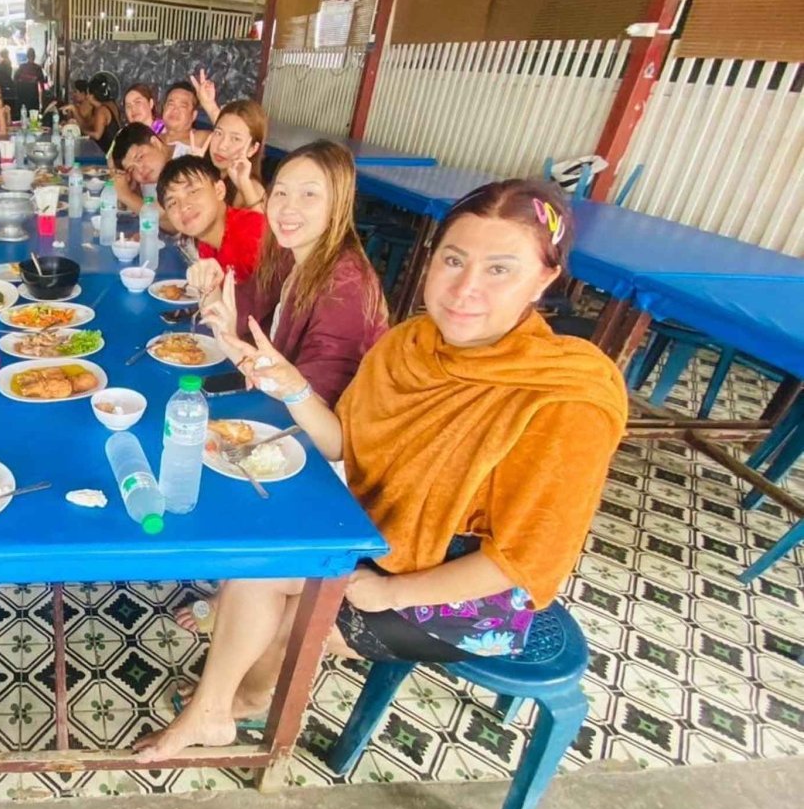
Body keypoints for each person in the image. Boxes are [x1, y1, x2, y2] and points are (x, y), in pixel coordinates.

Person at [135, 179, 627, 762]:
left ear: (544, 279)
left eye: (500, 269)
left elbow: (524, 562)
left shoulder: (566, 393)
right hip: (386, 531)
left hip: (472, 590)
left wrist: (392, 589)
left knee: (294, 607)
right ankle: (218, 711)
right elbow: (347, 444)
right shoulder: (410, 343)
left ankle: (243, 699)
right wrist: (286, 383)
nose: (466, 288)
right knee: (261, 559)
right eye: (453, 260)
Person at [190, 141, 386, 403]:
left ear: (337, 204)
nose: (288, 208)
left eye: (309, 195)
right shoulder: (288, 253)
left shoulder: (347, 285)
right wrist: (211, 286)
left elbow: (316, 396)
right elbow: (243, 309)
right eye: (281, 193)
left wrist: (237, 350)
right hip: (276, 402)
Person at [157, 155, 266, 283]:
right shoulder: (206, 246)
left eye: (193, 192)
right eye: (172, 203)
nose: (183, 206)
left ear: (219, 190)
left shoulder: (251, 232)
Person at [202, 99, 268, 209]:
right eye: (218, 133)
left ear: (252, 149)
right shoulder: (203, 172)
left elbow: (262, 224)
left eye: (235, 139)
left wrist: (244, 186)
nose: (222, 145)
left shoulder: (253, 190)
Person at [111, 122, 189, 213]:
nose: (140, 170)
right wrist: (132, 189)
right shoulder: (154, 170)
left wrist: (126, 195)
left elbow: (167, 217)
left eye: (140, 157)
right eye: (131, 169)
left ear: (155, 143)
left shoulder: (187, 162)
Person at [160, 80, 210, 152]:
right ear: (164, 108)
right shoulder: (152, 140)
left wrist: (209, 105)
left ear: (193, 115)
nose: (175, 110)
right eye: (171, 104)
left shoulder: (203, 139)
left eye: (183, 106)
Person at [13, 47, 46, 115]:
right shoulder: (37, 68)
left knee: (23, 116)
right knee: (33, 116)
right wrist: (43, 103)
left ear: (27, 56)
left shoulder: (22, 67)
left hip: (22, 96)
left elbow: (15, 80)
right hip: (33, 97)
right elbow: (42, 86)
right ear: (34, 56)